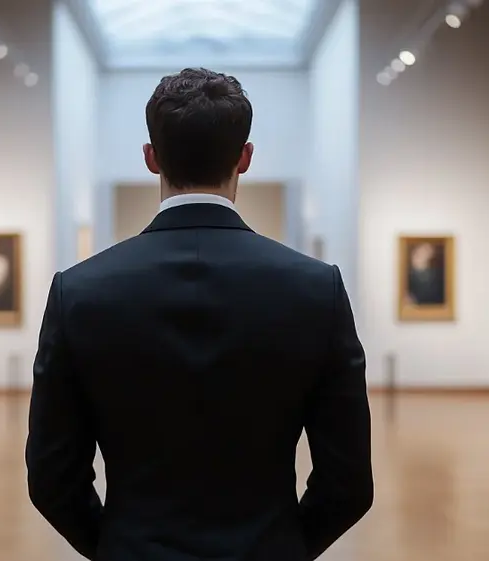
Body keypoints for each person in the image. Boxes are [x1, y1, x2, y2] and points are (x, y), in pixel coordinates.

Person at [26, 68, 372, 561]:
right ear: (245, 157)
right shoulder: (317, 288)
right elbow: (349, 483)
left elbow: (51, 478)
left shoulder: (78, 292)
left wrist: (118, 546)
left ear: (151, 157)